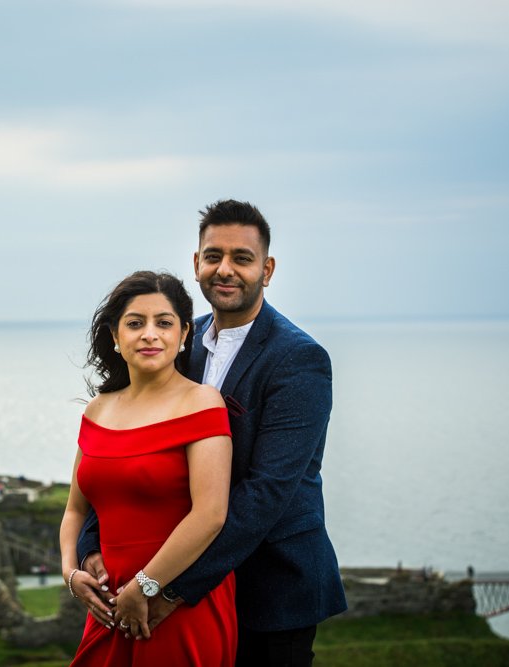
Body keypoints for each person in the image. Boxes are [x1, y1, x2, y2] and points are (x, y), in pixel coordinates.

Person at [79, 200, 347, 666]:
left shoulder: (299, 359)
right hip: (178, 578)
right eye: (213, 256)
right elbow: (125, 448)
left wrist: (170, 588)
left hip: (271, 589)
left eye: (241, 258)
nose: (225, 269)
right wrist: (89, 550)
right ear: (196, 264)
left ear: (267, 269)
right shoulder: (179, 340)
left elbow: (266, 492)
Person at [59, 270, 238, 666]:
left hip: (177, 605)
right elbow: (76, 508)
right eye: (135, 323)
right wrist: (71, 573)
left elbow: (210, 514)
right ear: (115, 337)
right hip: (109, 606)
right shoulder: (97, 409)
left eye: (164, 323)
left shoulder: (203, 403)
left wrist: (145, 587)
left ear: (184, 334)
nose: (150, 334)